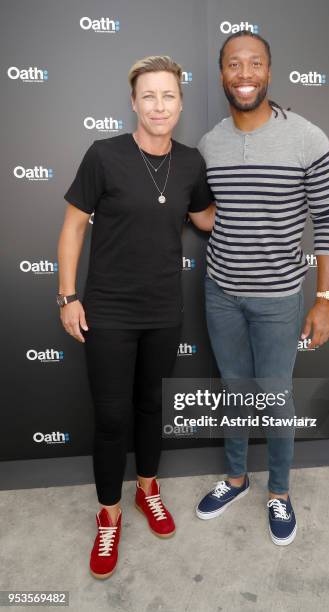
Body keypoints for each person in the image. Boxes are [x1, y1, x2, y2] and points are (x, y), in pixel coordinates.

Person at [57, 55, 215, 579]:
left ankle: (148, 487)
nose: (159, 105)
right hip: (107, 310)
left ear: (180, 102)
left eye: (168, 95)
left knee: (150, 406)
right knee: (110, 418)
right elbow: (74, 227)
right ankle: (108, 514)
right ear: (133, 102)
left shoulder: (191, 162)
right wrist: (67, 296)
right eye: (148, 95)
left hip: (163, 311)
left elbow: (206, 218)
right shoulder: (104, 155)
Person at [195, 31, 329, 546]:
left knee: (275, 398)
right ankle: (237, 479)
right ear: (222, 75)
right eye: (234, 64)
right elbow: (211, 215)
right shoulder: (210, 143)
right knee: (235, 391)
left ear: (269, 72)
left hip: (279, 299)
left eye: (254, 63)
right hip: (220, 292)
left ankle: (279, 492)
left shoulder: (307, 138)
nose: (244, 73)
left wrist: (325, 300)